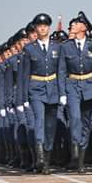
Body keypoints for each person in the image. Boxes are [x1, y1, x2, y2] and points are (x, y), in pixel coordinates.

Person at [58, 13, 92, 174]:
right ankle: (75, 148)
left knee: (86, 123)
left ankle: (81, 160)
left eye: (76, 24)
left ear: (84, 28)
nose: (73, 26)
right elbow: (62, 70)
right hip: (72, 85)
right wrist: (62, 92)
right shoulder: (66, 46)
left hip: (89, 86)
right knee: (75, 118)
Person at [22, 13, 62, 174]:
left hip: (53, 89)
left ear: (49, 28)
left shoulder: (57, 47)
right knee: (39, 120)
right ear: (36, 29)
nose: (43, 28)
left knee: (51, 126)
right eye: (39, 26)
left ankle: (46, 159)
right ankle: (39, 155)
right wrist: (24, 97)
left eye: (45, 26)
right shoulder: (29, 49)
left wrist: (63, 92)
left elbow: (61, 71)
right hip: (36, 88)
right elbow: (24, 74)